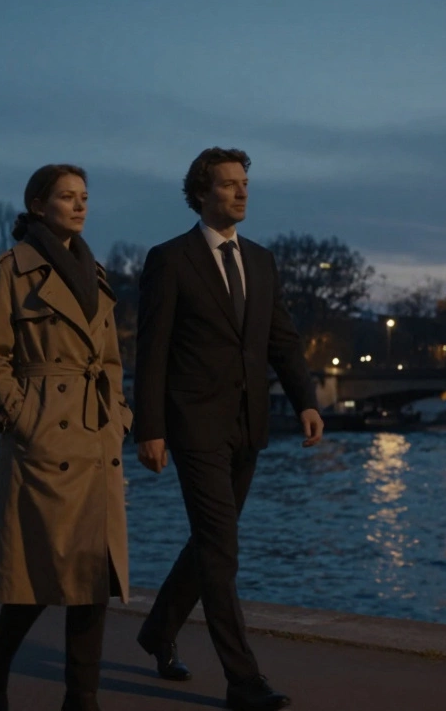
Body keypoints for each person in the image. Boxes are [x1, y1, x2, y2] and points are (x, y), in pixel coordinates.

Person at [133, 147, 324, 711]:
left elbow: (281, 339)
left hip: (249, 425)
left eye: (245, 183)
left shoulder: (261, 261)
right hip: (193, 426)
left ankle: (157, 630)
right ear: (200, 193)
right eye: (228, 185)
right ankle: (243, 681)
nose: (241, 193)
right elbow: (153, 350)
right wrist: (150, 427)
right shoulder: (169, 260)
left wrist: (306, 401)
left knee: (211, 544)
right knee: (222, 548)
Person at [0, 163, 133, 711]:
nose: (80, 205)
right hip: (45, 436)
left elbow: (109, 359)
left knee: (94, 575)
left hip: (95, 438)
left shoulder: (100, 273)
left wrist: (120, 417)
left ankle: (80, 699)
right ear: (38, 205)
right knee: (41, 572)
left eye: (85, 196)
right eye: (67, 197)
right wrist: (21, 416)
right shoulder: (11, 270)